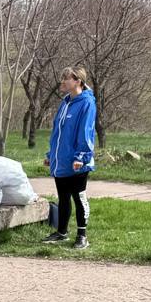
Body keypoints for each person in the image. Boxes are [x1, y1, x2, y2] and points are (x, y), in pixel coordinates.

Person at [43, 65, 97, 250]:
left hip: (77, 161)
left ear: (77, 81)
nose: (63, 81)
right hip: (62, 159)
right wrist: (51, 155)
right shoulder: (65, 103)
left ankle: (82, 235)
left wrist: (81, 157)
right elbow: (57, 132)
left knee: (78, 196)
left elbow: (86, 132)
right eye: (62, 78)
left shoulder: (87, 103)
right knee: (63, 197)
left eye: (66, 78)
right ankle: (62, 232)